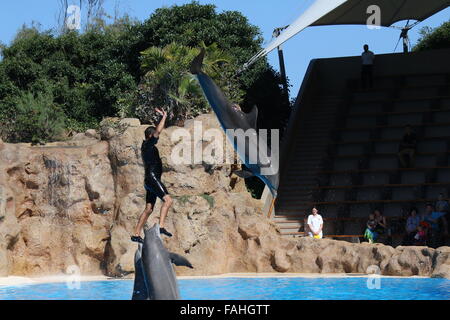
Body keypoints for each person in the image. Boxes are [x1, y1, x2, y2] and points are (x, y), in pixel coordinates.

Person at [132, 108, 173, 243]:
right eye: (155, 136)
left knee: (149, 209)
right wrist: (164, 117)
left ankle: (136, 234)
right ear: (150, 136)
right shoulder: (148, 145)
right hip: (152, 178)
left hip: (149, 180)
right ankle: (161, 227)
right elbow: (158, 131)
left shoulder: (147, 146)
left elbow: (156, 132)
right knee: (168, 200)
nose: (157, 138)